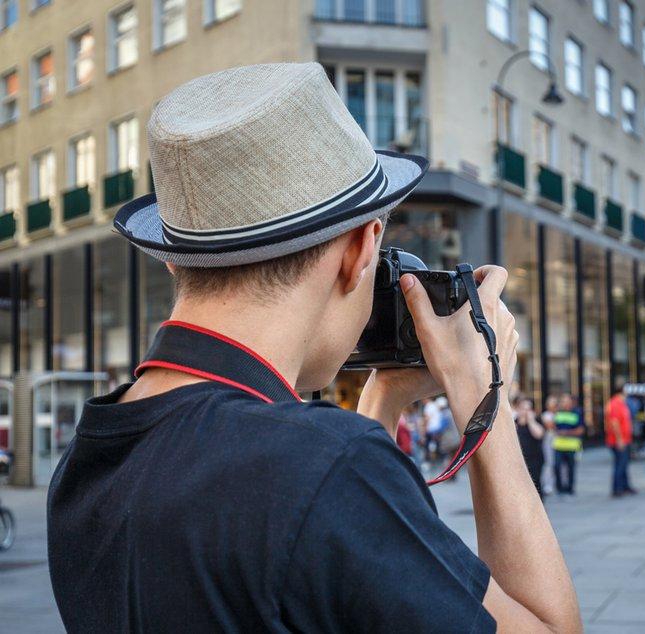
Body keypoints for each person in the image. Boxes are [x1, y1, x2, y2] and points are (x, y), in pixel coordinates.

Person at [46, 64, 581, 632]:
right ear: (360, 250)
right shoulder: (326, 468)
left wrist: (382, 405)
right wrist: (483, 390)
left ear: (177, 259)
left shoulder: (88, 457)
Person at [604, 384, 635, 497]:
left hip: (625, 439)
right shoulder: (615, 404)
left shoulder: (622, 404)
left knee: (624, 463)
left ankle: (625, 486)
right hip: (618, 440)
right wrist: (619, 439)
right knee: (620, 464)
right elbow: (614, 422)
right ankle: (617, 488)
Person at [514, 397, 546, 500]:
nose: (525, 411)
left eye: (528, 409)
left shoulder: (536, 421)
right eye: (522, 408)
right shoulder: (514, 422)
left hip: (534, 459)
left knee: (535, 483)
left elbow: (539, 434)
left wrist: (531, 420)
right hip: (519, 459)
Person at [553, 394, 585, 495]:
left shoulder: (577, 413)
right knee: (557, 467)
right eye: (563, 401)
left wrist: (566, 433)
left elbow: (581, 430)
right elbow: (553, 426)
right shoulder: (558, 413)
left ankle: (570, 488)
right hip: (558, 445)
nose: (564, 403)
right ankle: (560, 488)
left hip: (572, 446)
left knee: (571, 468)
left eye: (566, 401)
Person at [539, 395, 558, 496]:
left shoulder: (558, 414)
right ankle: (547, 484)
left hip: (558, 441)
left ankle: (554, 483)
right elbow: (551, 426)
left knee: (557, 463)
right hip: (549, 441)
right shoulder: (546, 415)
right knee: (549, 462)